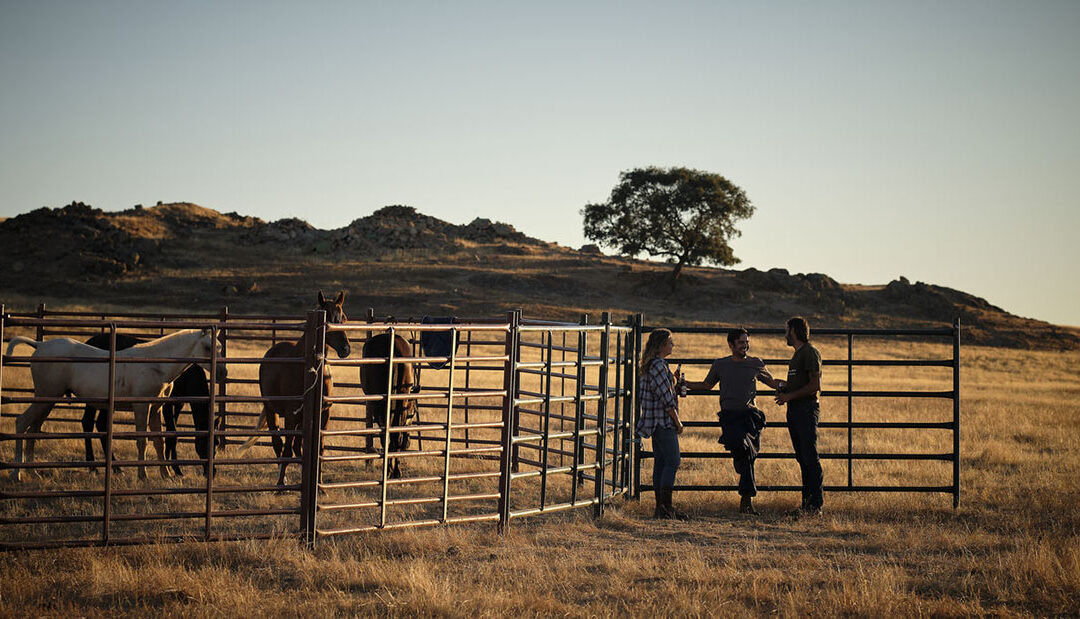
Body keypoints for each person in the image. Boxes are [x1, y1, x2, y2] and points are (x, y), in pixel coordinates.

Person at [683, 327, 770, 515]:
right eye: (741, 342)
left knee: (747, 455)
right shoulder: (720, 365)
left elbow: (771, 382)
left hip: (749, 416)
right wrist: (685, 384)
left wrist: (787, 387)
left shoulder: (756, 364)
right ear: (731, 344)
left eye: (747, 342)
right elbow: (707, 385)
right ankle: (745, 494)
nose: (745, 346)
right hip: (730, 416)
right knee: (744, 452)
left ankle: (746, 501)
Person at [758, 316, 823, 516]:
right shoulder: (798, 355)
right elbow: (796, 384)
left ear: (794, 331)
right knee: (803, 457)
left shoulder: (810, 353)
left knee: (809, 457)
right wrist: (768, 379)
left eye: (786, 330)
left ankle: (815, 505)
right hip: (796, 409)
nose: (784, 334)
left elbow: (814, 386)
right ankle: (807, 505)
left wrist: (788, 396)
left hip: (805, 409)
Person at [636, 328, 687, 520]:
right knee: (673, 461)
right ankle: (665, 507)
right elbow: (665, 398)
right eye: (670, 342)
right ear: (662, 345)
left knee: (662, 462)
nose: (672, 345)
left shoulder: (656, 365)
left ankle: (661, 508)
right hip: (662, 420)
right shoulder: (658, 366)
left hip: (654, 420)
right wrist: (677, 420)